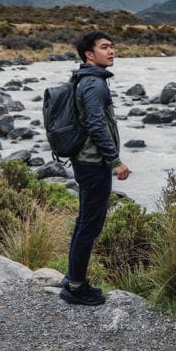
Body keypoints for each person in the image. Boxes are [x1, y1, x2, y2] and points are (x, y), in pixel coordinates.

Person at [60, 30, 131, 306]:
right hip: (93, 164)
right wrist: (115, 161)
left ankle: (73, 278)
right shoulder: (94, 84)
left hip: (86, 160)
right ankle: (76, 287)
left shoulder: (88, 79)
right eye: (104, 47)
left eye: (112, 46)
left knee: (84, 222)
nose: (111, 51)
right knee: (90, 225)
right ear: (89, 54)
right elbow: (95, 124)